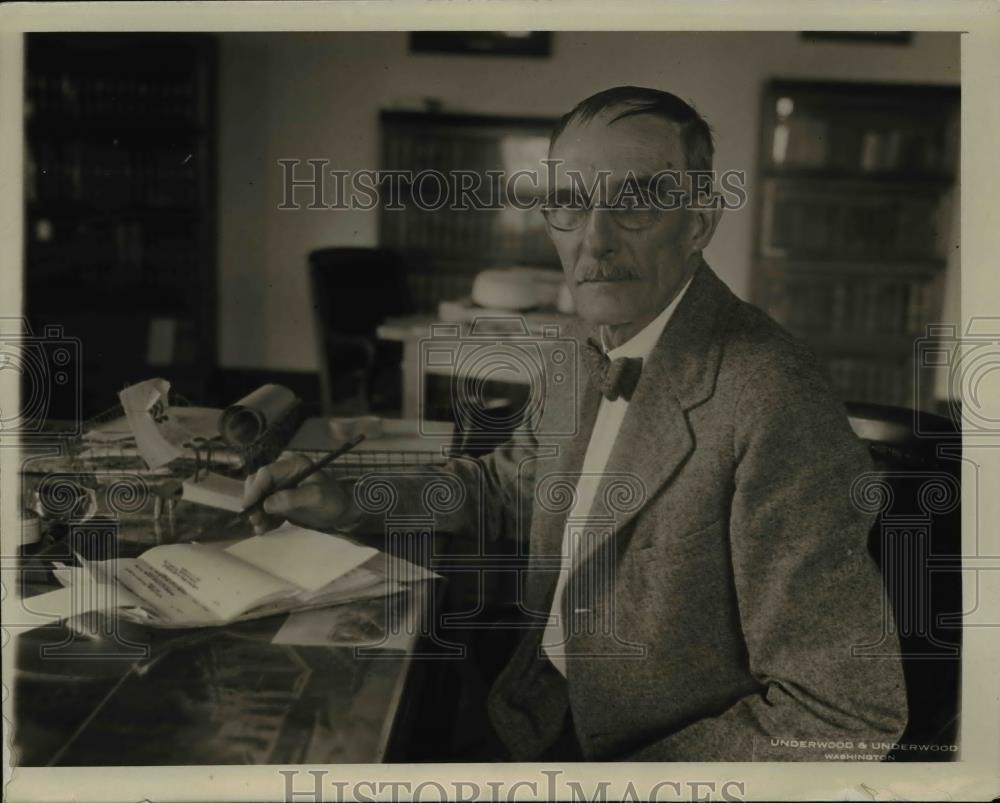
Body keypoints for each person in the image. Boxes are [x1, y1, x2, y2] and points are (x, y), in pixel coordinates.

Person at [244, 86, 908, 761]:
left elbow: (844, 712)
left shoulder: (773, 401)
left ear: (699, 221)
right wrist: (352, 494)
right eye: (569, 201)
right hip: (530, 708)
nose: (595, 240)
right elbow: (504, 488)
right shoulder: (585, 341)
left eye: (637, 201)